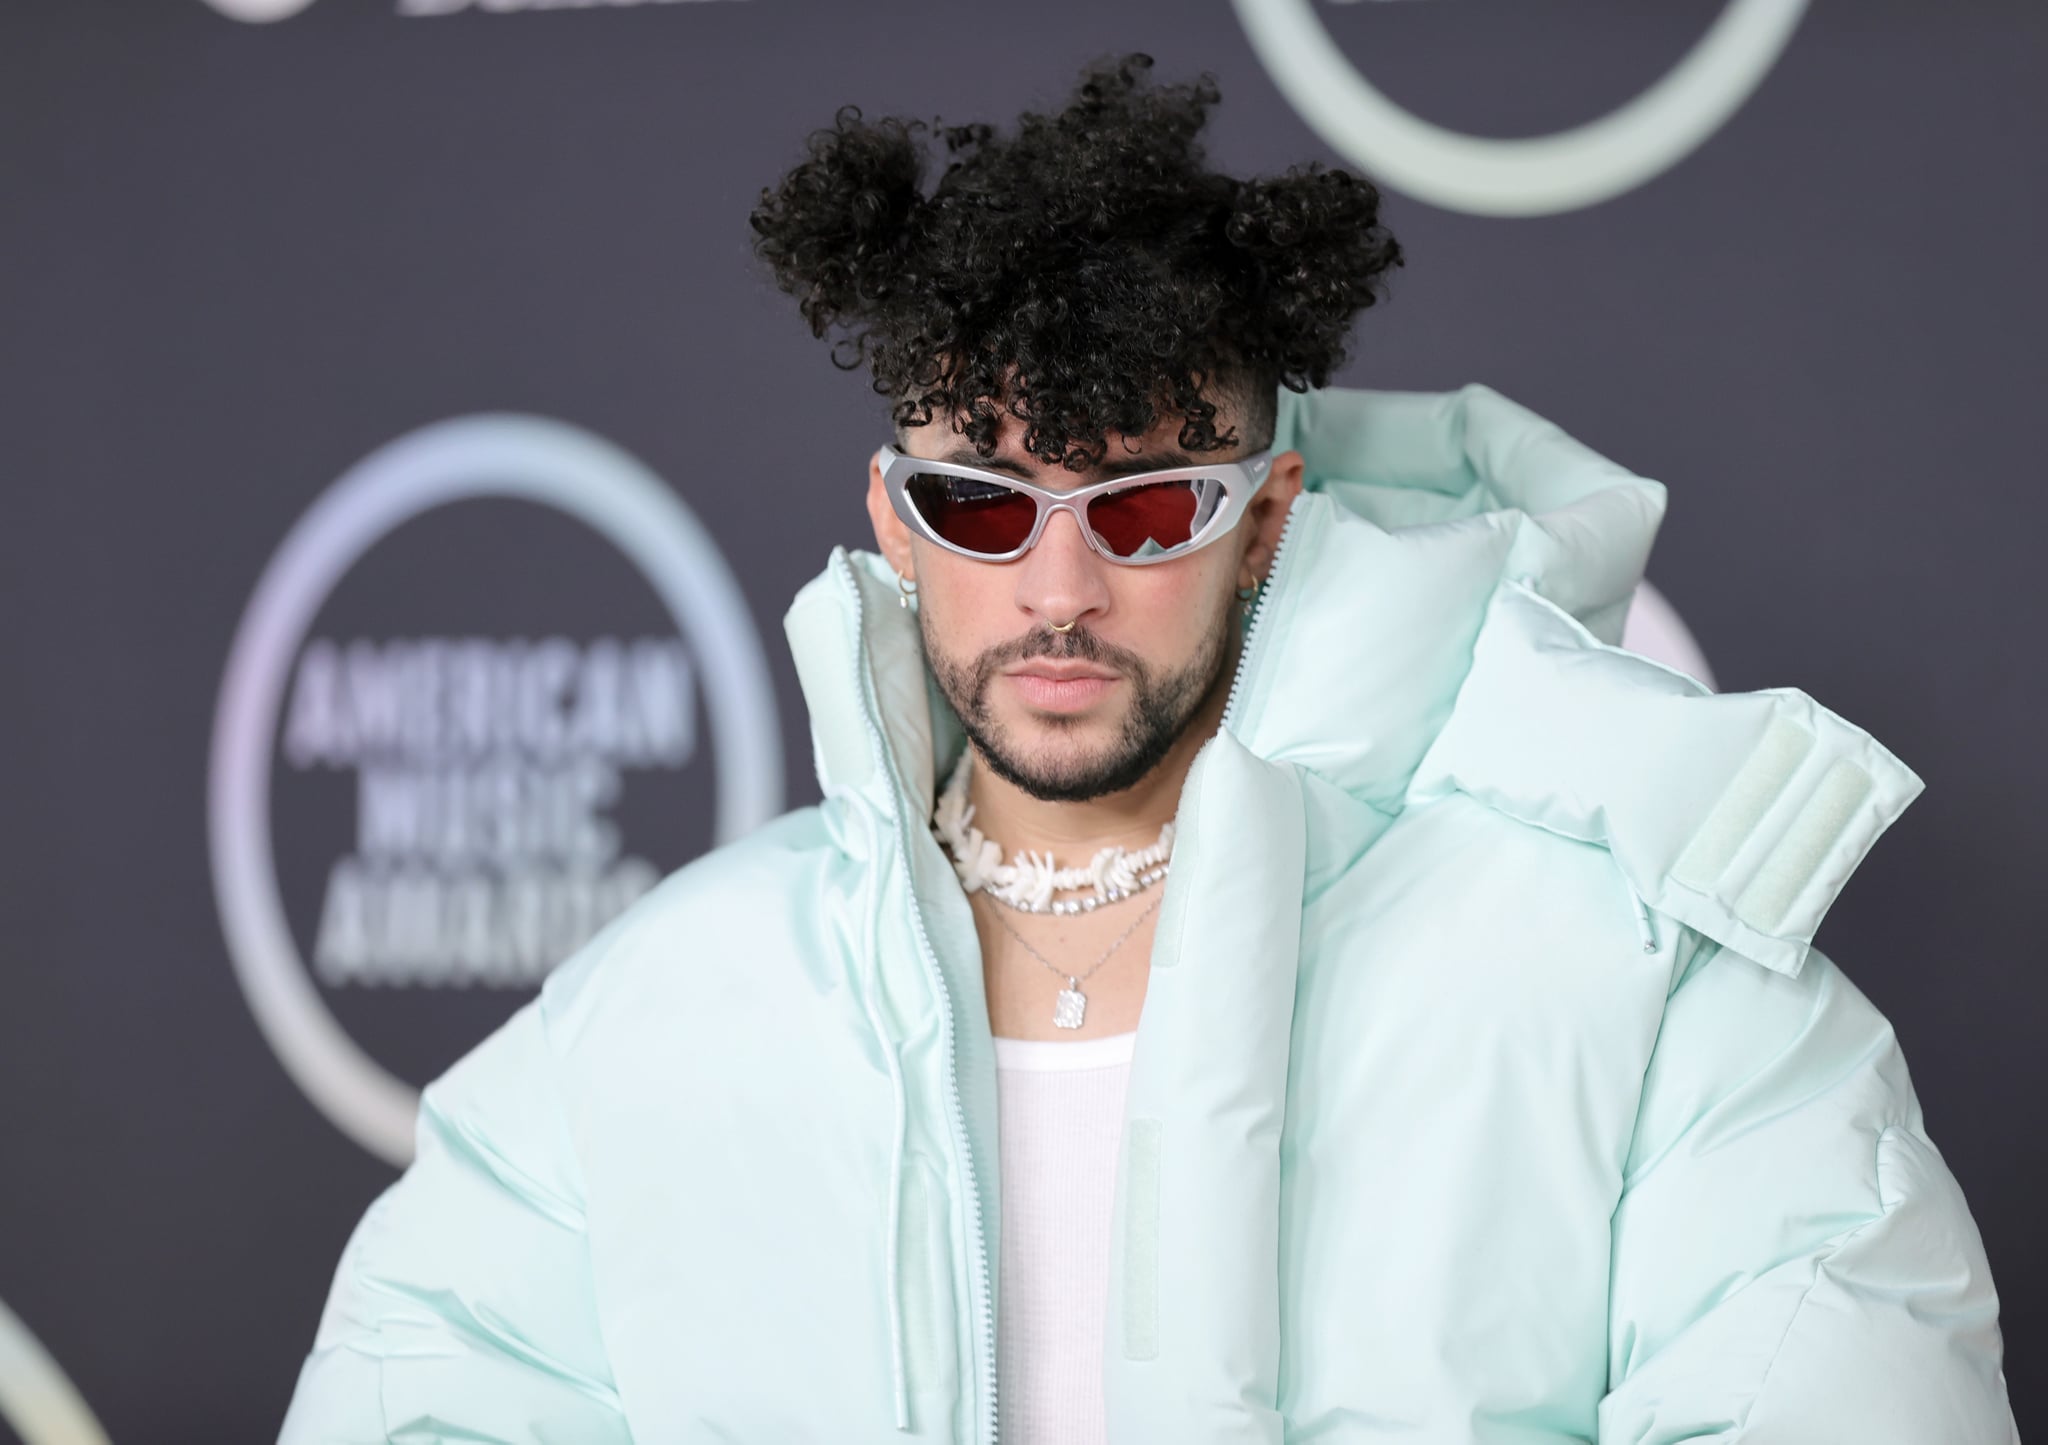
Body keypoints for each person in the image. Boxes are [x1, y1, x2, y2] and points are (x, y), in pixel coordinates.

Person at [279, 53, 2017, 1444]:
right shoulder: (646, 1024)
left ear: (1268, 521)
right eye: (981, 499)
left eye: (1149, 502)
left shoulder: (1642, 986)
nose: (1060, 585)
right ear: (892, 524)